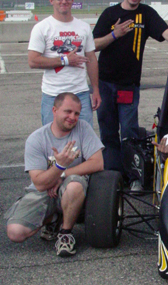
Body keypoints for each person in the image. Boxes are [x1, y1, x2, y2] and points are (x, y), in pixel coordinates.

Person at [93, 0, 168, 191]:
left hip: (129, 85)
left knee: (130, 131)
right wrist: (115, 34)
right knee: (108, 131)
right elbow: (93, 45)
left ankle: (134, 176)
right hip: (105, 83)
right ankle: (113, 175)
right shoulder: (110, 14)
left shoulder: (146, 14)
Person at [5, 92, 104, 257]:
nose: (72, 117)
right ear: (54, 110)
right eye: (68, 111)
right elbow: (39, 183)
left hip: (71, 187)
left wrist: (62, 174)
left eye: (77, 113)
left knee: (74, 185)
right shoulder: (36, 139)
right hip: (44, 190)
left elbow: (97, 163)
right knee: (15, 233)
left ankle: (65, 233)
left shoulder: (83, 128)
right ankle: (53, 219)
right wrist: (58, 166)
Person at [28, 0, 101, 127]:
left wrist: (96, 89)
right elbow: (33, 61)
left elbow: (91, 59)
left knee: (83, 140)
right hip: (53, 94)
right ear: (51, 1)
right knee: (53, 140)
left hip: (80, 93)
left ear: (72, 0)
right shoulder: (42, 27)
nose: (64, 2)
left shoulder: (84, 27)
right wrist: (65, 60)